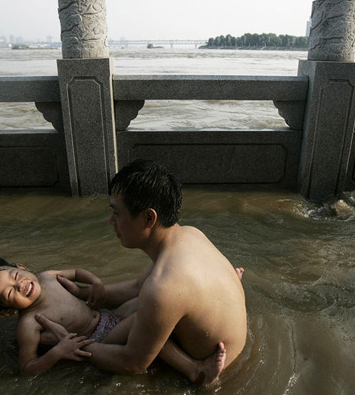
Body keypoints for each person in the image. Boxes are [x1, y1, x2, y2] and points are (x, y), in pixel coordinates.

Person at [36, 159, 247, 383]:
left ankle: (195, 370)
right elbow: (139, 286)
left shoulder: (164, 286)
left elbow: (132, 363)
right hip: (228, 343)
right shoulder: (190, 235)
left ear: (149, 218)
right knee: (136, 307)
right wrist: (92, 294)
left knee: (120, 332)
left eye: (117, 213)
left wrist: (69, 344)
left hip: (217, 368)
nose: (111, 221)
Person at [0, 257, 225, 383]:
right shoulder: (29, 324)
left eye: (15, 276)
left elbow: (78, 271)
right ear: (6, 312)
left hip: (108, 316)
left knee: (153, 295)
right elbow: (26, 368)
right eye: (10, 292)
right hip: (100, 340)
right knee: (148, 319)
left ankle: (210, 290)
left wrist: (95, 282)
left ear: (21, 267)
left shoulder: (47, 277)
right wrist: (58, 352)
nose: (21, 285)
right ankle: (194, 370)